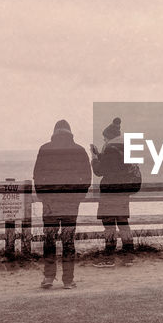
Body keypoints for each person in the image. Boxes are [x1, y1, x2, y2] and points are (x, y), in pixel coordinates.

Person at [32, 119, 91, 289]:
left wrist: (43, 196)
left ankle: (49, 277)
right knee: (68, 239)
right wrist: (79, 195)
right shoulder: (79, 150)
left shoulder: (45, 149)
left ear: (55, 132)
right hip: (70, 202)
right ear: (70, 132)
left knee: (49, 239)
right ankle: (68, 280)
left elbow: (37, 174)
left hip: (50, 202)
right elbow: (87, 176)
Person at [90, 116, 136, 265]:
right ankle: (129, 256)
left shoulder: (110, 150)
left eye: (104, 139)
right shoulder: (124, 148)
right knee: (123, 221)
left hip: (110, 191)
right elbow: (116, 166)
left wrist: (95, 158)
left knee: (108, 222)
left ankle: (109, 257)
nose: (104, 142)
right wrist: (101, 155)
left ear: (109, 138)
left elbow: (100, 171)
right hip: (123, 191)